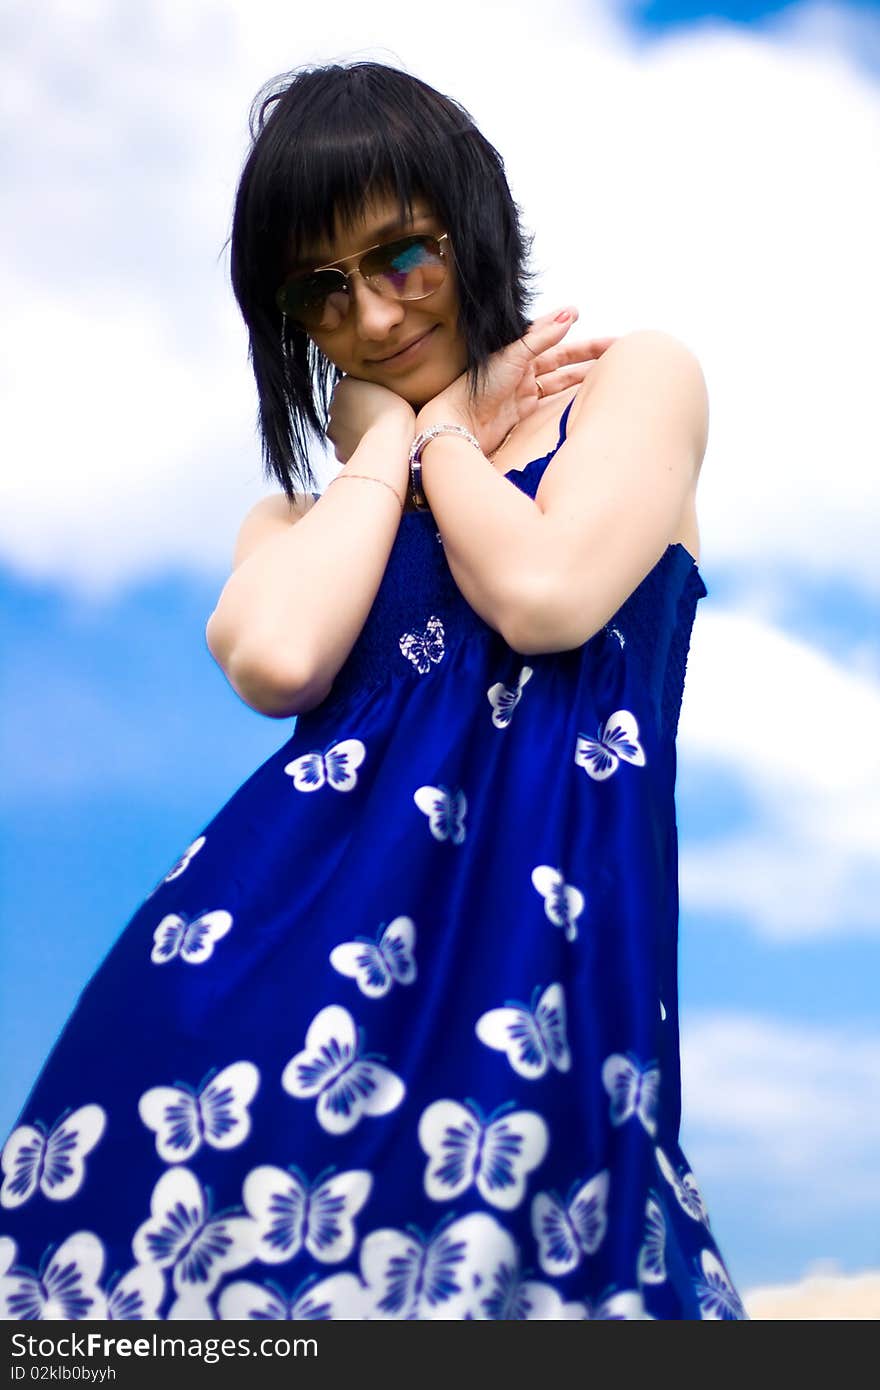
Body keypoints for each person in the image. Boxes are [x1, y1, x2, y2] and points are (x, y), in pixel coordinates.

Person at [0, 60, 747, 1322]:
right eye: (320, 293)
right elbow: (281, 662)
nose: (376, 316)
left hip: (534, 995)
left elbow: (547, 594)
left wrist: (447, 432)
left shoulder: (631, 385)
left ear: (474, 226)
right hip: (241, 1029)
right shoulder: (296, 514)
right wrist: (397, 438)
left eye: (403, 257)